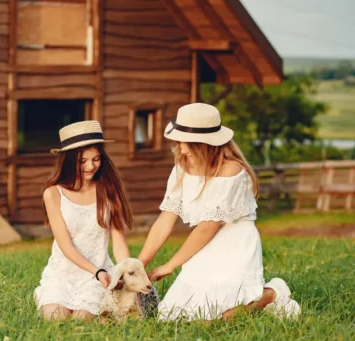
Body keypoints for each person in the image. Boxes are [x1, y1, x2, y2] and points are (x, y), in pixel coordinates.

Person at [138, 103, 301, 321]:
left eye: (190, 143)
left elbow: (206, 228)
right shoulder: (181, 167)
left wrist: (169, 266)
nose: (183, 149)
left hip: (235, 244)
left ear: (208, 144)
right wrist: (138, 266)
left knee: (218, 319)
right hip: (206, 247)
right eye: (180, 142)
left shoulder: (231, 170)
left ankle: (270, 294)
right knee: (172, 317)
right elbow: (165, 220)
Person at [33, 120, 135, 321]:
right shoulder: (53, 194)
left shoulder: (108, 191)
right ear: (69, 161)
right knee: (55, 317)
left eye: (96, 159)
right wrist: (95, 271)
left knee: (82, 319)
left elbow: (119, 242)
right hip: (63, 274)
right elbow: (65, 245)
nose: (91, 166)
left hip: (99, 277)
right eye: (82, 161)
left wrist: (126, 272)